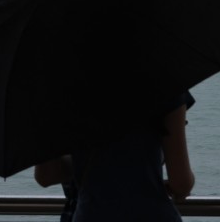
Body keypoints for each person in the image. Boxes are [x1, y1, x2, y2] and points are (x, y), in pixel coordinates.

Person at [34, 95, 195, 222]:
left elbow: (46, 175)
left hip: (91, 215)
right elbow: (181, 182)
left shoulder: (62, 86)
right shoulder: (167, 81)